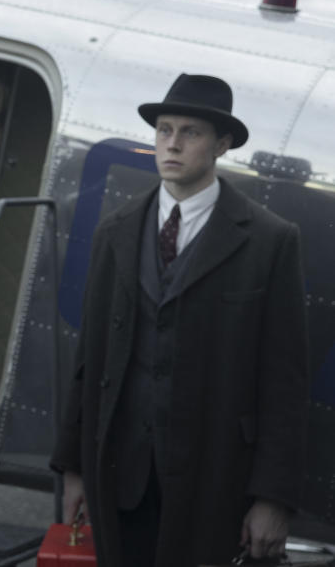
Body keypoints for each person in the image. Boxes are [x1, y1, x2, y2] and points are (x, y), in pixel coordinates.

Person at [51, 73, 308, 567]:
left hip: (212, 483)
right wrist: (74, 468)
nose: (172, 143)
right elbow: (92, 360)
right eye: (164, 129)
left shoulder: (270, 241)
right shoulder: (116, 231)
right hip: (121, 478)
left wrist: (272, 498)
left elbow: (285, 383)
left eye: (190, 132)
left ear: (223, 144)